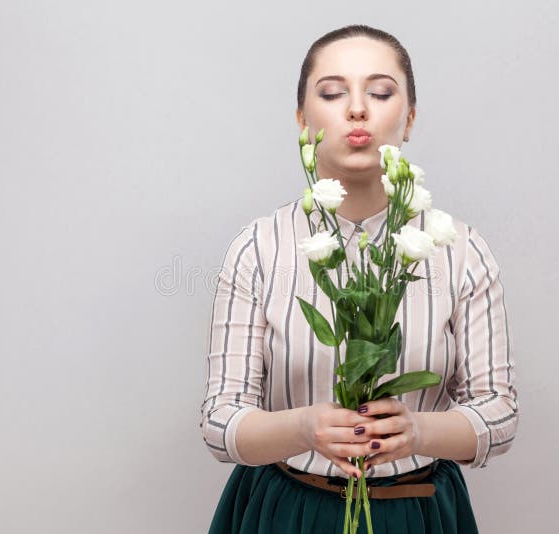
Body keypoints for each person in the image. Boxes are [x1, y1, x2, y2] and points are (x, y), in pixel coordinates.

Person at [200, 24, 518, 533]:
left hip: (416, 512)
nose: (357, 109)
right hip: (288, 512)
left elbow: (499, 413)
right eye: (331, 93)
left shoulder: (460, 249)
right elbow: (219, 421)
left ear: (409, 118)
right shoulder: (258, 248)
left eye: (380, 91)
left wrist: (416, 431)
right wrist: (303, 427)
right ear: (303, 121)